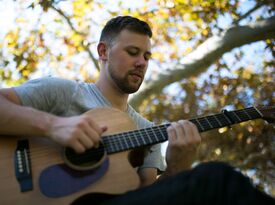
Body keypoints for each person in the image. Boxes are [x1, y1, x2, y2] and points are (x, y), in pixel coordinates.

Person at [0, 16, 274, 205]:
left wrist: (178, 165)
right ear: (103, 51)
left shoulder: (148, 132)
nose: (142, 62)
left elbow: (146, 197)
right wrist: (53, 126)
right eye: (133, 51)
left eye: (147, 56)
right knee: (217, 179)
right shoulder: (62, 92)